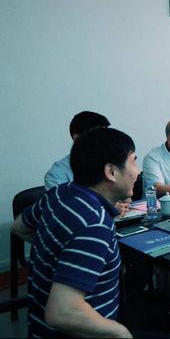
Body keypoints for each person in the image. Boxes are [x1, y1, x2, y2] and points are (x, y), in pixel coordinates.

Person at [11, 128, 137, 338]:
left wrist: (55, 254)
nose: (137, 171)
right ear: (111, 172)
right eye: (134, 161)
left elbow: (19, 227)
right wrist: (120, 333)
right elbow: (62, 312)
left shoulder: (60, 193)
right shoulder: (94, 223)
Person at [44, 111, 110, 190]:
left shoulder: (114, 163)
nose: (104, 141)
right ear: (77, 138)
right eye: (97, 136)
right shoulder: (57, 174)